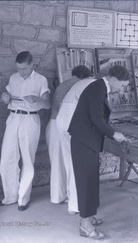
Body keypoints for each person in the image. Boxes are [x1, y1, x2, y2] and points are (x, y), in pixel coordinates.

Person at [68, 65, 129, 240]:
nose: (121, 89)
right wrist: (113, 133)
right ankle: (84, 225)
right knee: (86, 181)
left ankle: (90, 215)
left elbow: (97, 116)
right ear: (114, 79)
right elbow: (96, 118)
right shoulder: (98, 88)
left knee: (92, 179)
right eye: (122, 85)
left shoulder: (100, 87)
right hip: (83, 140)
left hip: (88, 139)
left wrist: (110, 129)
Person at [0, 51, 50, 211]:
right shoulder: (14, 78)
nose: (21, 72)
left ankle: (23, 198)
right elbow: (4, 96)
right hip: (13, 118)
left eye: (24, 69)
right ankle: (10, 196)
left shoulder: (41, 80)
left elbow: (47, 105)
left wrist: (37, 100)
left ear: (31, 65)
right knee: (7, 159)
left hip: (30, 119)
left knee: (27, 158)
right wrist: (4, 97)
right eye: (19, 68)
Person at [46, 65, 94, 214]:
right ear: (83, 77)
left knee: (63, 163)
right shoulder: (71, 86)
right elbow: (58, 108)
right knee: (61, 163)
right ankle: (59, 196)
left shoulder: (65, 84)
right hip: (57, 125)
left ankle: (63, 195)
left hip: (57, 124)